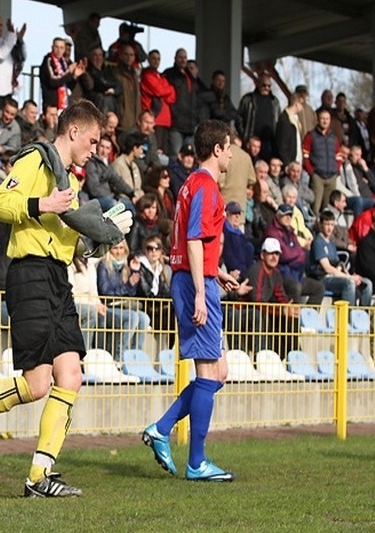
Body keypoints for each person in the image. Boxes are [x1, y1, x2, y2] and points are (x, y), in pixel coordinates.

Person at [0, 100, 123, 498]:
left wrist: (97, 241)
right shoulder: (37, 158)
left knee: (71, 375)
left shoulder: (69, 179)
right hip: (29, 273)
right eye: (93, 139)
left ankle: (39, 476)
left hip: (57, 277)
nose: (96, 147)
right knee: (37, 384)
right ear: (73, 131)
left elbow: (66, 240)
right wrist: (42, 204)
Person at [142, 119, 238, 482]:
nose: (230, 153)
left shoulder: (191, 185)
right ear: (216, 150)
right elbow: (194, 241)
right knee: (208, 373)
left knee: (219, 372)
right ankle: (196, 462)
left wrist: (217, 272)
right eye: (228, 146)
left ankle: (161, 428)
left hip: (201, 278)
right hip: (194, 284)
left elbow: (194, 241)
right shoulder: (206, 187)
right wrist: (201, 289)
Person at [309, 211, 371, 306]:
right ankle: (348, 315)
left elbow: (338, 264)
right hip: (323, 278)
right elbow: (327, 268)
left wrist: (350, 275)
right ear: (321, 224)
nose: (330, 228)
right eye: (327, 224)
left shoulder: (331, 243)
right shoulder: (318, 242)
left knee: (367, 283)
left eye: (332, 225)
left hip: (335, 276)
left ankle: (363, 316)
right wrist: (350, 277)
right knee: (349, 283)